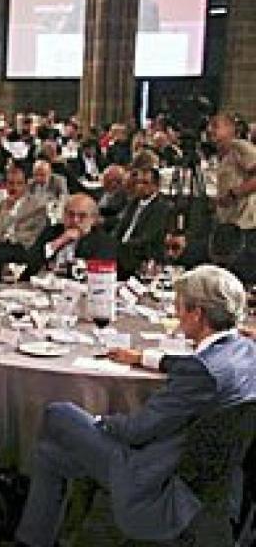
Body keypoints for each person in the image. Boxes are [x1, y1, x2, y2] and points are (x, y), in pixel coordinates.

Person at [15, 265, 256, 546]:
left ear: (197, 313)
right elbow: (195, 366)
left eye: (178, 307)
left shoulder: (200, 373)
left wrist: (100, 421)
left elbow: (137, 432)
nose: (175, 314)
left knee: (58, 414)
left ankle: (34, 516)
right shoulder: (245, 351)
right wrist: (146, 358)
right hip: (215, 484)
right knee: (50, 454)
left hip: (156, 479)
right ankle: (37, 539)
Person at [209, 113, 256, 283]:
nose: (210, 130)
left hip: (244, 223)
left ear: (231, 129)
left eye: (216, 126)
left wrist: (235, 193)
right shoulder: (222, 152)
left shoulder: (240, 148)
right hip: (228, 221)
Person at [0, 166, 49, 281]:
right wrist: (6, 211)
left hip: (25, 248)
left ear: (26, 185)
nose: (14, 188)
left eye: (19, 184)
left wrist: (10, 237)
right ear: (5, 185)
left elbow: (33, 235)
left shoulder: (38, 207)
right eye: (11, 183)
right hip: (1, 248)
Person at [27, 193, 116, 276]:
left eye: (82, 216)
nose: (75, 220)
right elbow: (30, 263)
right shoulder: (51, 232)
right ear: (63, 215)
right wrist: (58, 242)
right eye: (70, 214)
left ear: (93, 219)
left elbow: (90, 273)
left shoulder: (103, 242)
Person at [113, 165, 172, 279]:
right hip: (123, 250)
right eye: (138, 182)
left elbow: (147, 238)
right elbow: (119, 228)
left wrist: (119, 247)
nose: (139, 186)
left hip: (142, 255)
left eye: (145, 183)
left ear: (156, 186)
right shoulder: (134, 203)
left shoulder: (162, 207)